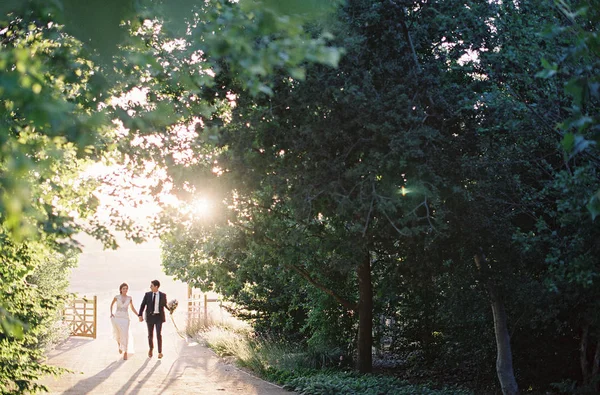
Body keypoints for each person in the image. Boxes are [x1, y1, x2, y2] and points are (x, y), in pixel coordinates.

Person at [138, 279, 167, 359]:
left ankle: (160, 352)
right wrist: (140, 315)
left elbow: (165, 305)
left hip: (159, 317)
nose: (150, 287)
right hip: (150, 317)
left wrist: (171, 309)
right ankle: (151, 349)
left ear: (156, 286)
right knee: (150, 335)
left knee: (158, 334)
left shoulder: (163, 295)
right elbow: (143, 305)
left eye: (151, 286)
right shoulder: (147, 295)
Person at [110, 283, 139, 360]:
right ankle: (119, 345)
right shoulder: (117, 297)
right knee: (118, 333)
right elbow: (111, 305)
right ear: (120, 289)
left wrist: (138, 315)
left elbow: (132, 308)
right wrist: (111, 313)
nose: (125, 290)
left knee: (125, 334)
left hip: (125, 318)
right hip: (117, 317)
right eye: (123, 288)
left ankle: (125, 352)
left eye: (126, 288)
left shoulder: (129, 298)